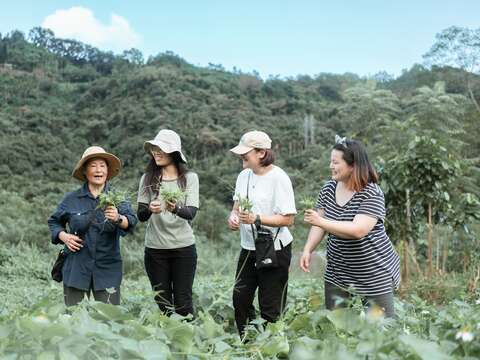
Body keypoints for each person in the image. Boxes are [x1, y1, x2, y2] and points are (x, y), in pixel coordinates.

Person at [300, 136, 400, 318]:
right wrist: (308, 249)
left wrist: (320, 221)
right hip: (338, 270)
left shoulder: (371, 193)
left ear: (353, 165)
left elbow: (358, 231)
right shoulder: (329, 188)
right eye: (330, 161)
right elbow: (318, 224)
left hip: (372, 270)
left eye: (335, 162)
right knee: (337, 326)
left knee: (383, 329)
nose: (331, 166)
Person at [48, 146, 137, 306]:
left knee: (109, 320)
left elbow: (131, 220)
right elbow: (54, 222)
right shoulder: (71, 199)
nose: (98, 170)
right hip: (76, 268)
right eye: (93, 165)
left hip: (107, 269)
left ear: (107, 171)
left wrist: (118, 218)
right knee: (74, 319)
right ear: (85, 171)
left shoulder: (117, 198)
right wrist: (64, 236)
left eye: (102, 166)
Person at [228, 130, 297, 337]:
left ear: (260, 153)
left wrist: (257, 218)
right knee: (240, 299)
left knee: (270, 307)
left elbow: (289, 219)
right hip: (249, 248)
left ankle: (270, 348)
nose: (242, 157)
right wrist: (232, 217)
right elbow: (236, 206)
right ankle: (248, 343)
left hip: (274, 250)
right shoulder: (243, 176)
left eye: (245, 153)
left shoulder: (279, 178)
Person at [137, 129, 199, 317]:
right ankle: (168, 342)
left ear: (173, 153)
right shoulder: (147, 179)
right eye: (154, 148)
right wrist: (150, 209)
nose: (156, 152)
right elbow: (141, 215)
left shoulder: (189, 178)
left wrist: (173, 208)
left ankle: (186, 342)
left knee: (183, 301)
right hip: (155, 249)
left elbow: (191, 213)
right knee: (162, 301)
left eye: (161, 149)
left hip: (183, 248)